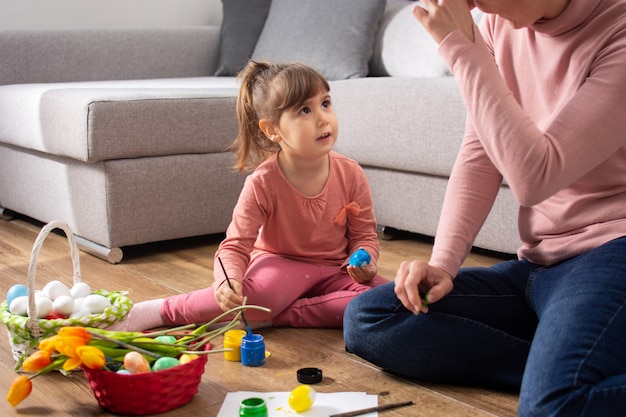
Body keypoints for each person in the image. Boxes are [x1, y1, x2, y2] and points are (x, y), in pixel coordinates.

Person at [343, 0, 626, 416]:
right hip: (538, 267)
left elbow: (535, 177)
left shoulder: (617, 30)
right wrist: (443, 264)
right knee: (371, 317)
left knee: (556, 406)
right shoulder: (499, 24)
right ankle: (562, 364)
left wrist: (462, 50)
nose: (473, 7)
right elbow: (481, 154)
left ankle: (561, 377)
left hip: (611, 253)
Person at [114, 60, 386, 332]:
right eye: (305, 110)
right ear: (272, 130)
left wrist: (366, 259)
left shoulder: (352, 173)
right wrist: (227, 282)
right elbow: (234, 247)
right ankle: (161, 311)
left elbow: (364, 236)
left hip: (334, 271)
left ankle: (280, 316)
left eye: (325, 104)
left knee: (388, 297)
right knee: (254, 298)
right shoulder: (263, 182)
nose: (323, 118)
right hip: (279, 268)